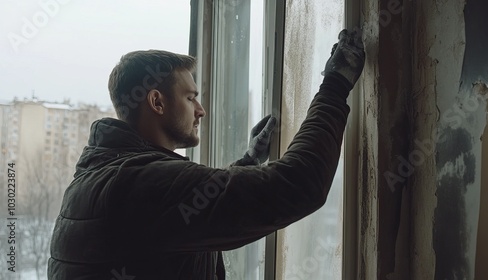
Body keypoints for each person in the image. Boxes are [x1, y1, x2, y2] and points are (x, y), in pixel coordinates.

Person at [48, 28, 365, 279]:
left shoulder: (98, 175)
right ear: (157, 103)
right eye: (190, 98)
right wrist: (335, 86)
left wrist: (249, 162)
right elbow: (299, 184)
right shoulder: (142, 183)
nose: (200, 110)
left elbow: (179, 213)